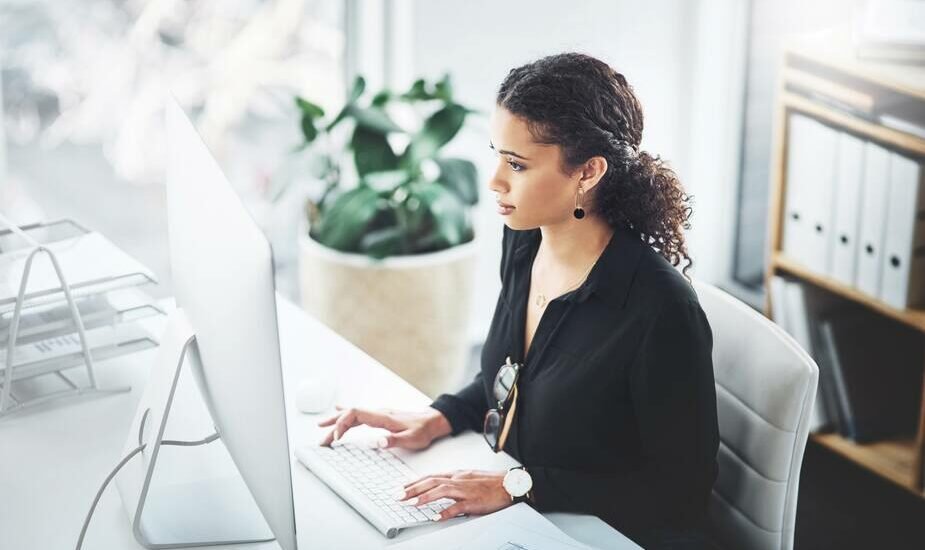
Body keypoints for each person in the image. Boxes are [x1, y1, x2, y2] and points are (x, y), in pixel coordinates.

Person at [318, 52, 720, 549]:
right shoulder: (526, 240)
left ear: (588, 172)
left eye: (517, 164)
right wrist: (441, 416)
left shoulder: (660, 309)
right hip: (530, 517)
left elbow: (680, 494)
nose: (494, 180)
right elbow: (516, 373)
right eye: (499, 155)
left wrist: (518, 486)